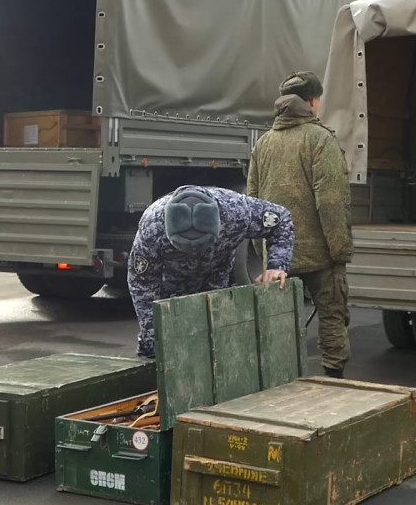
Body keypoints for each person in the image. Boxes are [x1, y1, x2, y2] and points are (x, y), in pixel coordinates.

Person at [247, 71, 353, 378]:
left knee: (279, 320)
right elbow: (331, 201)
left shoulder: (264, 143)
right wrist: (340, 250)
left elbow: (253, 199)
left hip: (278, 257)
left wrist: (262, 248)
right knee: (332, 316)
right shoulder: (320, 139)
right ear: (313, 101)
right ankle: (333, 380)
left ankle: (282, 381)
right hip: (321, 253)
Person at [128, 186, 295, 359]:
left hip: (215, 282)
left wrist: (277, 265)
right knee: (158, 348)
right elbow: (143, 285)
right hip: (171, 288)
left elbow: (281, 219)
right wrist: (153, 338)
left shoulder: (236, 211)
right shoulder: (152, 227)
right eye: (186, 248)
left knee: (216, 346)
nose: (194, 253)